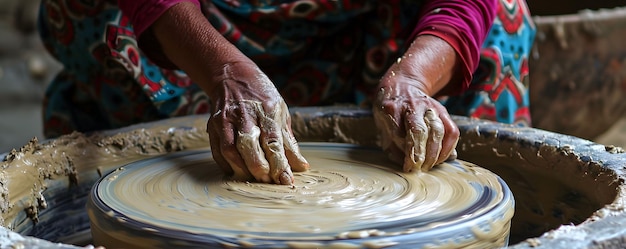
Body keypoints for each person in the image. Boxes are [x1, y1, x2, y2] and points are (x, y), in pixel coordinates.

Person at [37, 0, 535, 185]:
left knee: (505, 18)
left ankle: (450, 193)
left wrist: (414, 77)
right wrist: (222, 69)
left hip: (357, 38)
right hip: (193, 35)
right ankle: (130, 176)